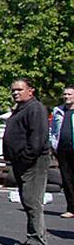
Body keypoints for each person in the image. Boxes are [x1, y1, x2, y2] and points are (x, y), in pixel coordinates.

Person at [2, 78, 50, 245]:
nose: (15, 92)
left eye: (20, 89)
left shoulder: (35, 108)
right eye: (13, 90)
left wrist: (25, 157)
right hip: (22, 162)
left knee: (32, 201)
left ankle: (38, 241)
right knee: (28, 200)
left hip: (33, 162)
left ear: (31, 91)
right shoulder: (21, 109)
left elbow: (37, 138)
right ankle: (34, 237)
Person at [51, 86, 74, 219]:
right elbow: (53, 130)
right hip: (63, 150)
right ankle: (71, 208)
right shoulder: (58, 111)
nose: (66, 97)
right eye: (65, 94)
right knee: (67, 179)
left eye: (69, 94)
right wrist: (53, 144)